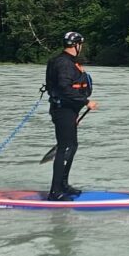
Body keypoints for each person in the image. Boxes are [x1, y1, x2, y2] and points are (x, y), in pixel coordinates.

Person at [45, 31, 97, 201]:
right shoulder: (64, 64)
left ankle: (64, 185)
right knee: (65, 148)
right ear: (76, 45)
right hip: (62, 110)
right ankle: (55, 192)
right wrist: (85, 101)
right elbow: (64, 89)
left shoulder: (65, 61)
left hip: (68, 111)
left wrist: (75, 111)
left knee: (71, 146)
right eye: (80, 44)